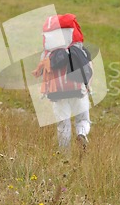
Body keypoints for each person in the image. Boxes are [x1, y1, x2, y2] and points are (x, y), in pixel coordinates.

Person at [32, 14, 91, 151]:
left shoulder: (47, 53)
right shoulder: (79, 50)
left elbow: (42, 72)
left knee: (63, 124)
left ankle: (65, 154)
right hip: (78, 91)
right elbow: (88, 70)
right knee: (82, 119)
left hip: (56, 93)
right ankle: (81, 133)